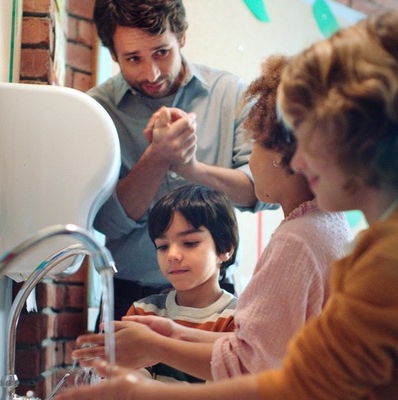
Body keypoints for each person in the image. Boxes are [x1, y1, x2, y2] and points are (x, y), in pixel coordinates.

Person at [56, 9, 398, 399]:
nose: (298, 155)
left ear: (362, 135)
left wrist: (139, 392)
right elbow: (299, 364)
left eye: (306, 132)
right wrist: (172, 338)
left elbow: (293, 387)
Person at [72, 55, 351, 381]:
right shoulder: (327, 223)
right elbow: (265, 347)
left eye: (257, 141)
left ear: (285, 155)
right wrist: (173, 335)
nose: (250, 157)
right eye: (162, 245)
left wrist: (159, 349)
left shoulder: (298, 240)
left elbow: (251, 364)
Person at [90, 0, 270, 320]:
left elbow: (262, 193)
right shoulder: (97, 111)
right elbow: (106, 222)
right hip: (128, 295)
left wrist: (192, 169)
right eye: (133, 59)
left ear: (181, 36)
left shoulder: (231, 93)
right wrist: (157, 158)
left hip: (215, 295)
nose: (152, 73)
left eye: (162, 52)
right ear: (113, 55)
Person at [127, 183, 239, 383]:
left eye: (190, 243)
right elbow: (130, 383)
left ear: (225, 248)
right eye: (162, 246)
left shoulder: (238, 319)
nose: (172, 255)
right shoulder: (143, 312)